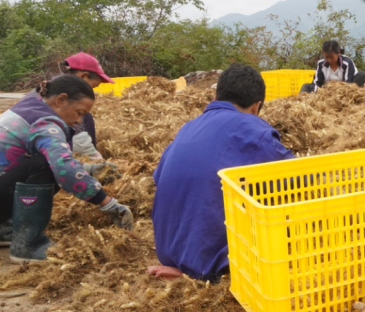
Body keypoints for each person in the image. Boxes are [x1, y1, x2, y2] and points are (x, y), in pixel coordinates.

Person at [150, 64, 293, 281]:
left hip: (168, 251)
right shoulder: (255, 132)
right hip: (211, 263)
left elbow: (159, 178)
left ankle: (189, 266)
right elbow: (301, 181)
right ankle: (203, 270)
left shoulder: (188, 128)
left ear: (216, 96)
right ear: (256, 106)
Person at [0, 76, 133, 261]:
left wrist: (89, 169)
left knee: (43, 163)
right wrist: (106, 202)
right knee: (45, 167)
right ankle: (28, 246)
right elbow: (63, 168)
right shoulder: (45, 122)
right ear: (61, 100)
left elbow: (19, 160)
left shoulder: (31, 105)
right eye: (79, 112)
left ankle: (4, 230)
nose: (79, 121)